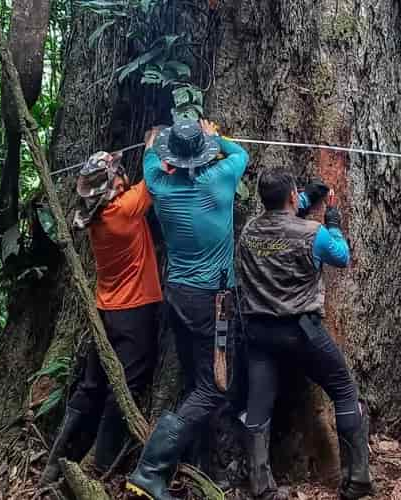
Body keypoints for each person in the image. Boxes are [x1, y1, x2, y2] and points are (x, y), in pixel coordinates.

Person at [126, 119, 249, 500]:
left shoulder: (158, 185)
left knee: (197, 381)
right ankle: (150, 469)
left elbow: (149, 154)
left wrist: (152, 142)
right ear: (203, 152)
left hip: (178, 295)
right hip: (214, 301)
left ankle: (199, 462)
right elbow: (240, 153)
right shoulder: (221, 180)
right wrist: (215, 136)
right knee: (214, 387)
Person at [237, 169, 374, 500]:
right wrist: (334, 221)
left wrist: (306, 197)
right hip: (302, 331)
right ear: (291, 197)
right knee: (343, 390)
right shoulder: (315, 234)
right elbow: (341, 257)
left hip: (259, 333)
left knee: (258, 406)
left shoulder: (249, 231)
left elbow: (281, 229)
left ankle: (260, 486)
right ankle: (357, 480)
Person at [41, 150, 162, 484]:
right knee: (127, 383)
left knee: (91, 384)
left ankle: (57, 459)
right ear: (113, 185)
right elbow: (155, 176)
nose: (123, 174)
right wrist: (153, 146)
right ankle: (101, 463)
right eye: (118, 172)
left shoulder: (95, 216)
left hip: (106, 311)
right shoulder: (123, 210)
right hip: (133, 313)